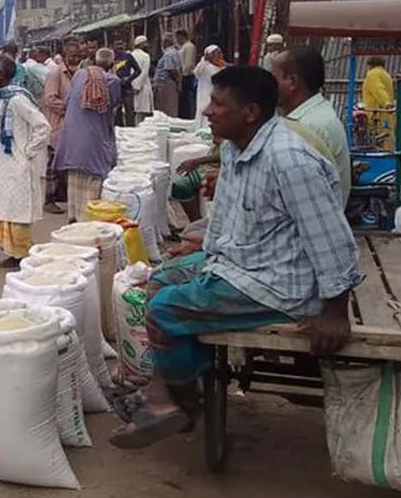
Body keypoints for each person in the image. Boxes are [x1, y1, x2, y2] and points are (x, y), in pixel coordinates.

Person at [110, 65, 360, 449]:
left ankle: (177, 403)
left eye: (217, 103)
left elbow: (331, 237)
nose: (208, 111)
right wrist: (204, 248)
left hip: (276, 283)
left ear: (251, 113)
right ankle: (178, 395)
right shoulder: (236, 148)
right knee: (161, 279)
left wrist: (335, 309)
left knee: (164, 309)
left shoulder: (289, 159)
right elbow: (230, 217)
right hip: (243, 263)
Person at [0, 55, 51, 268]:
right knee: (7, 208)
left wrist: (29, 151)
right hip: (5, 162)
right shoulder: (2, 97)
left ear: (3, 74)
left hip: (18, 163)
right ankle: (13, 253)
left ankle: (22, 254)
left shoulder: (17, 99)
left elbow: (42, 126)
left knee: (17, 211)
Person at [271, 46, 351, 202]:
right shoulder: (314, 114)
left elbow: (287, 191)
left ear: (292, 82)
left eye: (273, 80)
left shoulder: (307, 126)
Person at [54, 48, 121, 222]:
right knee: (93, 178)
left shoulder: (78, 76)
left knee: (75, 177)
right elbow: (113, 106)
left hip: (73, 138)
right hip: (95, 140)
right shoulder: (112, 81)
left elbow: (68, 101)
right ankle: (88, 220)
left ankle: (74, 216)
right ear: (112, 64)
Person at [42, 40, 80, 214]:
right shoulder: (56, 73)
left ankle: (60, 196)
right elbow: (49, 99)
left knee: (65, 162)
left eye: (78, 56)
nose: (75, 59)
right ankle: (48, 200)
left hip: (70, 126)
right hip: (56, 124)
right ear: (64, 56)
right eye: (72, 56)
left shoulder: (78, 74)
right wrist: (69, 108)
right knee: (52, 163)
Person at [361, 56, 395, 150]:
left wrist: (386, 103)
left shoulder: (372, 74)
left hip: (376, 113)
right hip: (387, 114)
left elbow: (378, 89)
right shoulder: (386, 74)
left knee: (379, 140)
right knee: (388, 137)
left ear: (370, 65)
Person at [192, 45, 227, 127]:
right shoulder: (205, 67)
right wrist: (204, 60)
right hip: (205, 95)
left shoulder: (222, 66)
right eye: (216, 53)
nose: (219, 55)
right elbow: (196, 72)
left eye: (219, 53)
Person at [112, 39, 142, 127]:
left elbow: (138, 70)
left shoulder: (128, 56)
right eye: (117, 45)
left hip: (127, 88)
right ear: (113, 47)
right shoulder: (112, 57)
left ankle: (131, 131)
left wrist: (128, 79)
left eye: (121, 44)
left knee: (130, 112)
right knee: (116, 113)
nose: (119, 47)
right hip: (116, 88)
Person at [153, 32, 182, 117]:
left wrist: (178, 82)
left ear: (166, 43)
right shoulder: (171, 52)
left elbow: (171, 69)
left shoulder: (169, 53)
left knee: (168, 108)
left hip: (167, 82)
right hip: (165, 82)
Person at [176, 30, 198, 119]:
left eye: (178, 38)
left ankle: (187, 116)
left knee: (186, 99)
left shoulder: (189, 47)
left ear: (182, 37)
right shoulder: (182, 47)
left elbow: (189, 64)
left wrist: (182, 75)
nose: (177, 40)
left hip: (187, 76)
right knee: (182, 100)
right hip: (182, 75)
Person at [130, 35, 153, 121]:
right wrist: (137, 87)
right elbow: (144, 73)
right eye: (145, 43)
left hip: (131, 86)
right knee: (142, 115)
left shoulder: (130, 55)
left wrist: (132, 85)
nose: (147, 45)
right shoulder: (146, 56)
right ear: (141, 44)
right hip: (142, 87)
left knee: (135, 112)